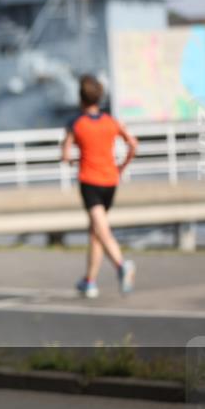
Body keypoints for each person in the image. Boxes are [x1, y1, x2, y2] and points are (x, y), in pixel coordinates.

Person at [61, 74, 138, 298]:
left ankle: (121, 265)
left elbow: (65, 155)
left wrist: (75, 159)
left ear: (80, 98)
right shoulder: (111, 121)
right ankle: (89, 281)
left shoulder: (76, 124)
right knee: (95, 232)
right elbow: (133, 144)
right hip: (111, 182)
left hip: (90, 182)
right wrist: (121, 167)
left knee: (102, 231)